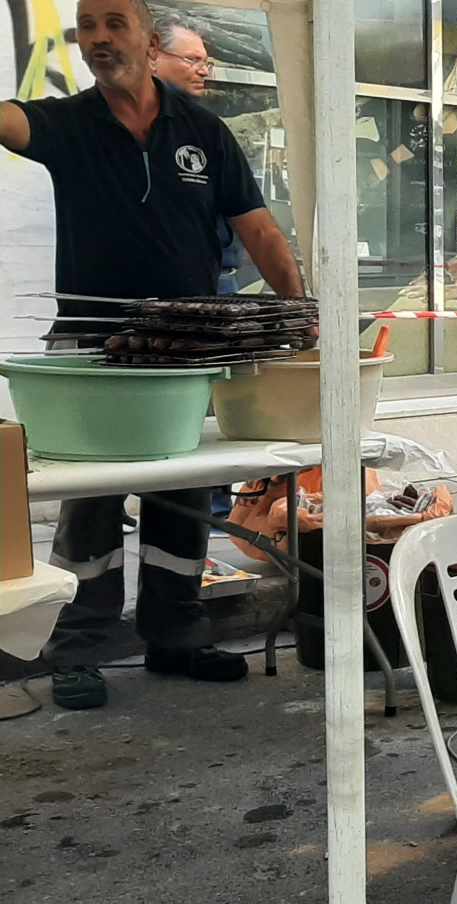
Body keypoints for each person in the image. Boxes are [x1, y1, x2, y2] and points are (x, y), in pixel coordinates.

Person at [0, 0, 305, 710]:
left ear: (145, 34)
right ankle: (78, 649)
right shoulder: (67, 123)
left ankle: (176, 635)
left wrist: (298, 316)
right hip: (92, 351)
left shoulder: (202, 130)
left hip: (183, 351)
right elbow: (8, 120)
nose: (98, 38)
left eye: (114, 23)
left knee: (182, 502)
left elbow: (257, 230)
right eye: (87, 27)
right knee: (93, 509)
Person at [150, 12, 251, 297]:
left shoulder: (207, 130)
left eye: (206, 62)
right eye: (191, 60)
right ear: (152, 56)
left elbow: (255, 224)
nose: (204, 70)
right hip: (166, 289)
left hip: (218, 282)